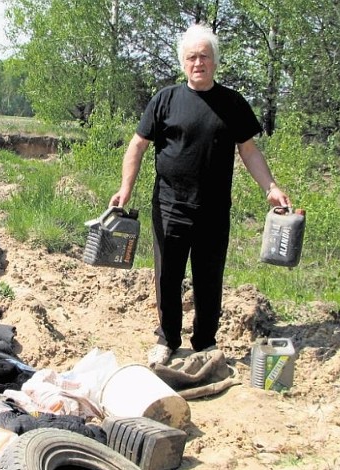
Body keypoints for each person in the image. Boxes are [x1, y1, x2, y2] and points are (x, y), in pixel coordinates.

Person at [109, 23, 292, 366]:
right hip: (169, 206)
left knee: (209, 277)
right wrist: (125, 188)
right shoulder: (165, 100)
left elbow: (249, 150)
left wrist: (270, 186)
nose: (198, 63)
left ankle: (205, 341)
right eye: (192, 57)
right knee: (167, 276)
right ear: (183, 63)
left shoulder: (231, 103)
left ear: (215, 62)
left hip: (213, 209)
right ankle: (167, 340)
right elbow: (137, 146)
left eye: (204, 57)